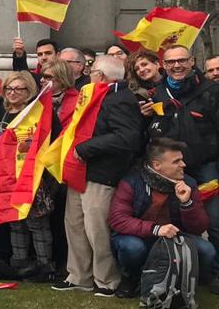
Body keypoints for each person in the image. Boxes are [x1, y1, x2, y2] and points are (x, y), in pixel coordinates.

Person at [54, 54, 143, 296]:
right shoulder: (96, 94)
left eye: (92, 71)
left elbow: (127, 138)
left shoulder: (120, 98)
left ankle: (106, 280)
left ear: (101, 76)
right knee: (75, 226)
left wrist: (85, 148)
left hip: (100, 173)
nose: (89, 75)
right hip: (79, 171)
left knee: (96, 230)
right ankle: (78, 276)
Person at [108, 138, 216, 297]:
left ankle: (187, 282)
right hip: (140, 236)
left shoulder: (189, 184)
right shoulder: (132, 181)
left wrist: (187, 203)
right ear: (157, 165)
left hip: (174, 237)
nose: (183, 164)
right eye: (176, 161)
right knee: (132, 247)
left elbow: (199, 227)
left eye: (182, 159)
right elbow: (118, 219)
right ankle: (130, 279)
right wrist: (156, 229)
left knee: (207, 250)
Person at [142, 44, 219, 255]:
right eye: (171, 62)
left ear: (192, 61)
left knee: (214, 220)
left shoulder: (211, 91)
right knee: (168, 218)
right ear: (163, 65)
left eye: (182, 60)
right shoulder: (156, 94)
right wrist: (146, 116)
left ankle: (215, 272)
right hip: (169, 169)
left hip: (206, 167)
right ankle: (177, 267)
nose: (177, 65)